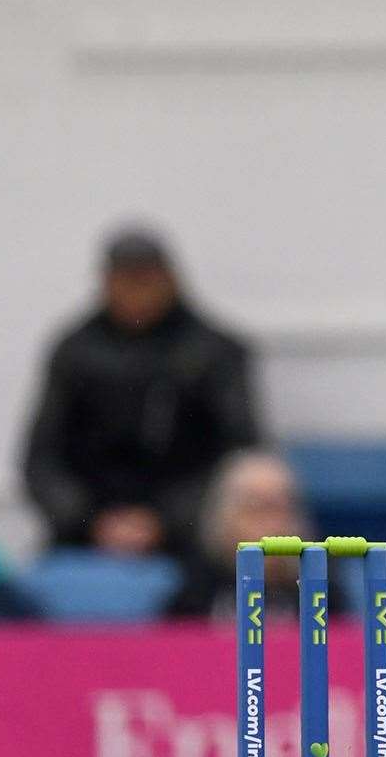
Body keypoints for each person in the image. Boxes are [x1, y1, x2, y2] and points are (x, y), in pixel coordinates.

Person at [22, 228, 261, 561]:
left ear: (170, 279)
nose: (136, 292)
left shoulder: (214, 352)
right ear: (105, 283)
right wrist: (90, 520)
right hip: (84, 536)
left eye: (146, 277)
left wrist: (166, 520)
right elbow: (41, 460)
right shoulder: (75, 352)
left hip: (193, 537)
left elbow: (242, 457)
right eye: (125, 278)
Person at [165, 449, 309, 620]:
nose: (269, 522)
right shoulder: (196, 587)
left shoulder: (317, 584)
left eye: (277, 507)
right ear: (225, 515)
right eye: (254, 507)